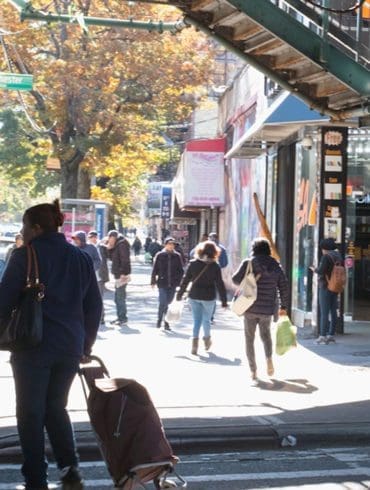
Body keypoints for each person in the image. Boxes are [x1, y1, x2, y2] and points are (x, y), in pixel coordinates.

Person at [0, 200, 102, 490]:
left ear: (36, 227)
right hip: (70, 345)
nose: (23, 231)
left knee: (30, 412)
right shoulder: (81, 258)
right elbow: (94, 306)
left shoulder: (25, 256)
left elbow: (3, 301)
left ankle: (35, 478)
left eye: (24, 226)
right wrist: (86, 344)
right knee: (56, 407)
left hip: (33, 346)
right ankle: (70, 470)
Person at [232, 237, 289, 380]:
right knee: (266, 336)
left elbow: (235, 279)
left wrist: (248, 279)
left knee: (249, 339)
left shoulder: (249, 262)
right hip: (267, 308)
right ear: (268, 249)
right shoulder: (275, 265)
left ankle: (253, 371)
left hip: (250, 307)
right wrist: (284, 306)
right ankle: (269, 359)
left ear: (254, 248)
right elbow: (284, 286)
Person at [177, 240, 228, 355]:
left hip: (194, 295)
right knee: (206, 320)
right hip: (208, 297)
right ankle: (207, 340)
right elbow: (220, 284)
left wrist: (179, 294)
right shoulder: (215, 266)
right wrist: (224, 301)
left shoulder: (193, 263)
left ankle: (194, 344)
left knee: (196, 321)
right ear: (215, 252)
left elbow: (185, 280)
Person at [313, 238, 343, 344]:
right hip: (335, 286)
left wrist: (314, 269)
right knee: (333, 311)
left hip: (325, 286)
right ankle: (331, 334)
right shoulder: (338, 256)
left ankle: (322, 336)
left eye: (322, 248)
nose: (322, 250)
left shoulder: (326, 257)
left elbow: (321, 270)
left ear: (325, 248)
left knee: (324, 312)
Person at [151, 237, 184, 330]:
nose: (171, 246)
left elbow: (181, 271)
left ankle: (166, 322)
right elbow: (155, 269)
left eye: (172, 244)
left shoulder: (177, 256)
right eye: (169, 244)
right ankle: (159, 319)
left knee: (169, 303)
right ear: (165, 245)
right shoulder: (160, 255)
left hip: (173, 284)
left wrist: (179, 282)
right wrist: (153, 281)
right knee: (162, 302)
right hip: (162, 283)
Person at [107, 230, 131, 327]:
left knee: (119, 297)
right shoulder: (117, 244)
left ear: (114, 237)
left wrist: (123, 273)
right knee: (118, 297)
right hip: (118, 274)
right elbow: (112, 258)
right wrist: (109, 248)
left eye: (110, 238)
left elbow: (125, 259)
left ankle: (123, 318)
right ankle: (120, 317)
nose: (109, 240)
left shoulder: (121, 244)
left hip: (122, 275)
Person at [87, 230, 110, 326]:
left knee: (99, 298)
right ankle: (91, 317)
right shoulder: (87, 247)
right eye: (90, 237)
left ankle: (101, 318)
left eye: (93, 237)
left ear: (96, 237)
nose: (92, 239)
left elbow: (107, 258)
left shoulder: (101, 247)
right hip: (89, 277)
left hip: (99, 277)